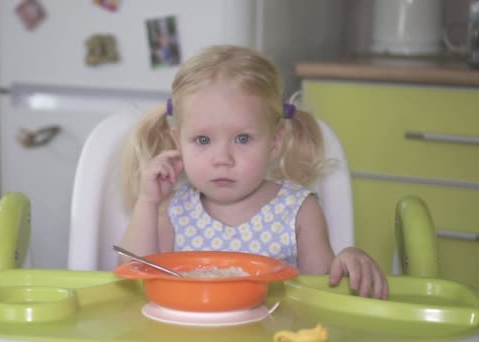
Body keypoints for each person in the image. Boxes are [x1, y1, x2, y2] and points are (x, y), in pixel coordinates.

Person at [119, 45, 388, 299]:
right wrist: (148, 202)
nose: (222, 159)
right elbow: (135, 278)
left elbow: (322, 292)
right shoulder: (173, 210)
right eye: (203, 140)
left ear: (274, 142)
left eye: (243, 139)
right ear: (178, 142)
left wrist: (348, 260)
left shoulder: (298, 211)